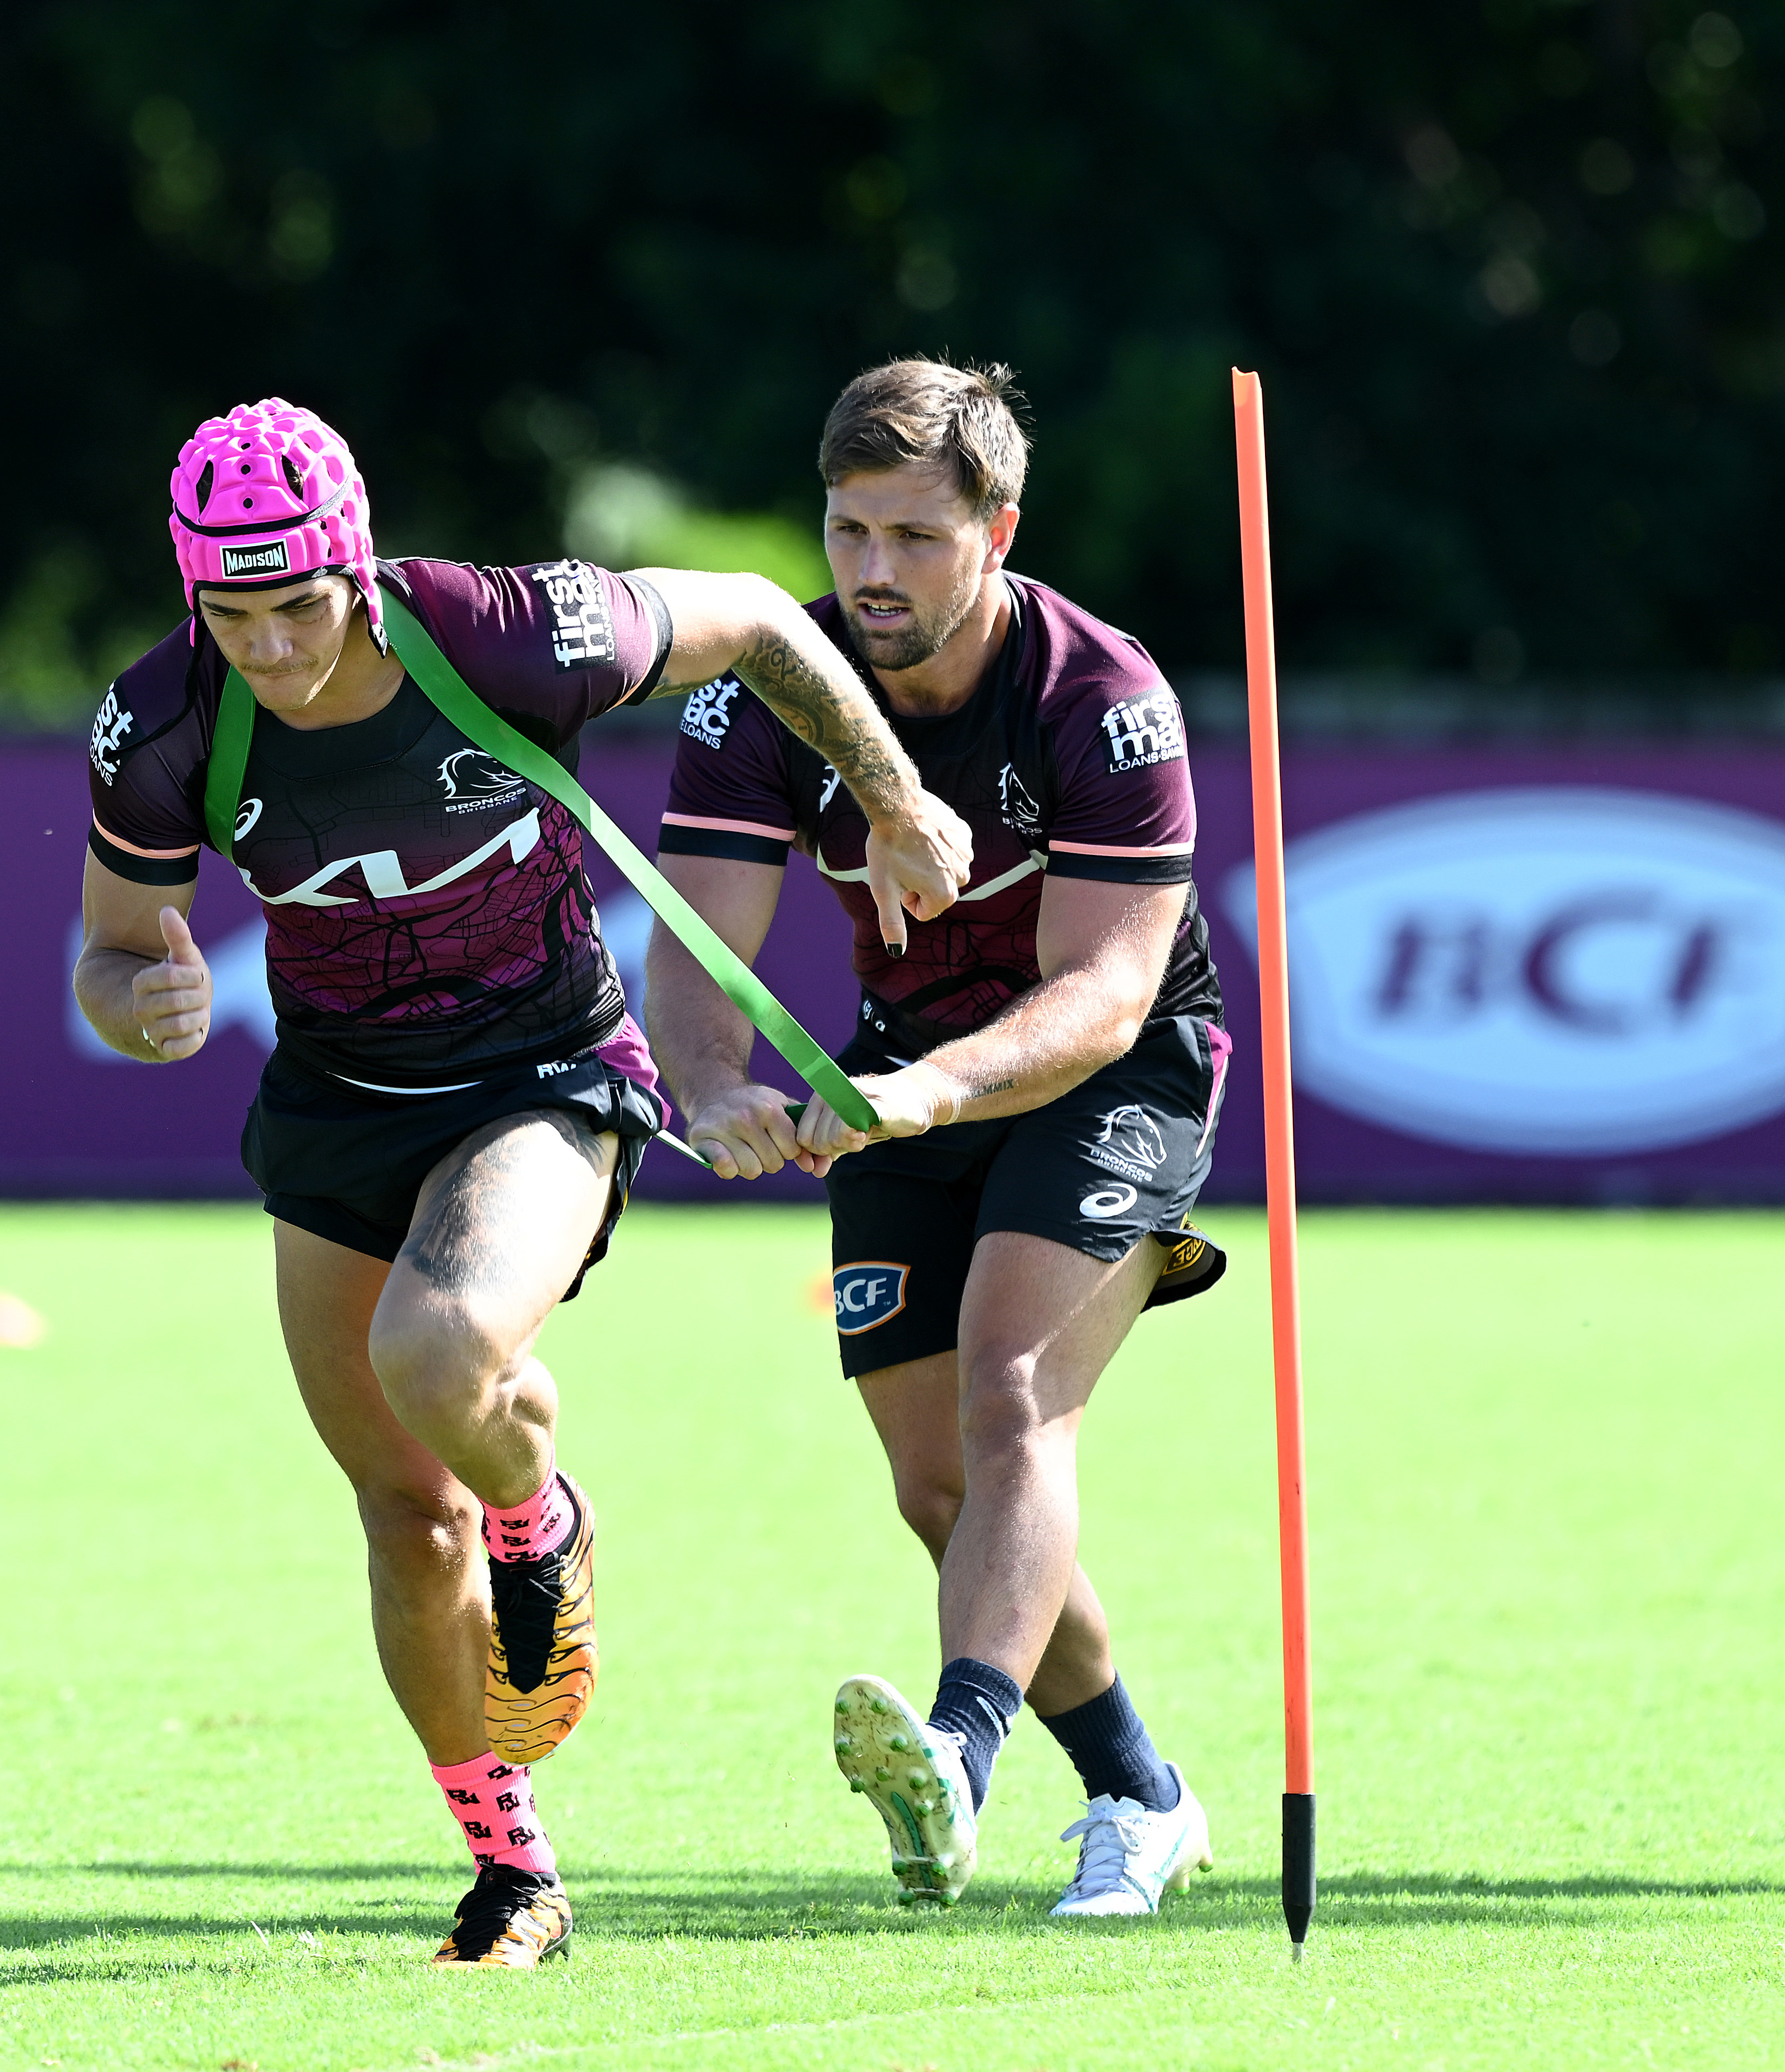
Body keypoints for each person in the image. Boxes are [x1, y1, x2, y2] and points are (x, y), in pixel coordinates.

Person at [75, 399, 971, 1966]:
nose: (272, 648)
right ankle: (510, 1869)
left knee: (429, 1355)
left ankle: (542, 1518)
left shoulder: (506, 631)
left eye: (298, 605)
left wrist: (891, 797)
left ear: (353, 570)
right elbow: (108, 946)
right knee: (399, 1512)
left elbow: (761, 619)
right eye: (233, 611)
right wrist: (126, 1003)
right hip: (335, 1103)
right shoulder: (157, 728)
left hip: (544, 1073)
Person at [643, 360, 1228, 1916]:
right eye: (846, 534)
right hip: (900, 1079)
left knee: (1011, 1389)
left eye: (913, 536)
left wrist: (928, 1091)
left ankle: (956, 1762)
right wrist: (707, 1088)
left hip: (1110, 1075)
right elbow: (698, 957)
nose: (871, 574)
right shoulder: (765, 695)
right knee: (941, 1494)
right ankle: (1141, 1797)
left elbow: (1104, 993)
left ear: (998, 528)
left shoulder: (1100, 698)